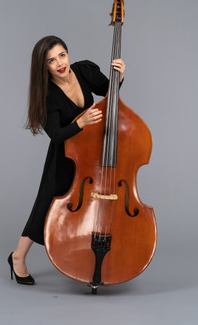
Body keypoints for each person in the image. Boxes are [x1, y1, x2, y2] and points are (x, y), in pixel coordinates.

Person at [8, 35, 125, 284]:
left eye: (62, 55)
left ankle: (83, 259)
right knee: (45, 207)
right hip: (64, 157)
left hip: (90, 154)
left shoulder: (83, 71)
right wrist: (80, 123)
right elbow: (57, 135)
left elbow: (108, 92)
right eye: (51, 60)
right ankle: (18, 257)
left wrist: (119, 77)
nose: (60, 63)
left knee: (87, 207)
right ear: (45, 66)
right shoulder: (49, 94)